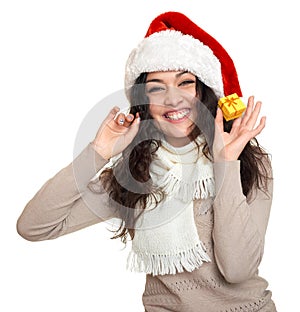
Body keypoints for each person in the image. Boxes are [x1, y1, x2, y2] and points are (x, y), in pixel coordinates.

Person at [16, 11, 276, 312]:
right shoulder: (133, 175)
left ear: (202, 91)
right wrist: (98, 151)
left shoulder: (250, 164)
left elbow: (238, 270)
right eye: (156, 87)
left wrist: (225, 164)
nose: (172, 98)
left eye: (185, 83)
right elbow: (33, 227)